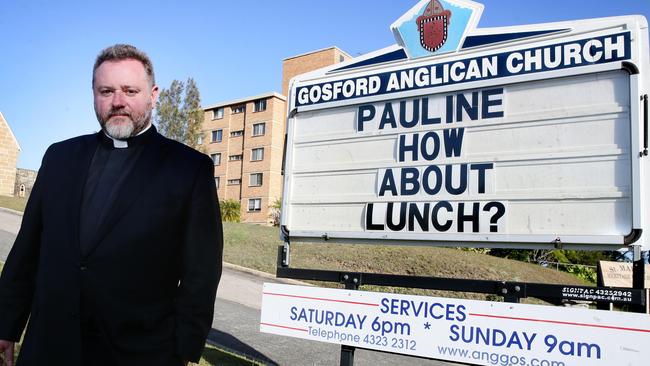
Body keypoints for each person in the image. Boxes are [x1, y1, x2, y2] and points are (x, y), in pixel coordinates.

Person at [0, 44, 223, 366]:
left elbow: (201, 273)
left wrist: (183, 349)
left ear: (153, 94)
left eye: (130, 90)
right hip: (49, 346)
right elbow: (27, 249)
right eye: (107, 91)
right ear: (94, 94)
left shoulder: (188, 169)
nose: (118, 101)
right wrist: (6, 323)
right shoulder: (59, 157)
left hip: (139, 352)